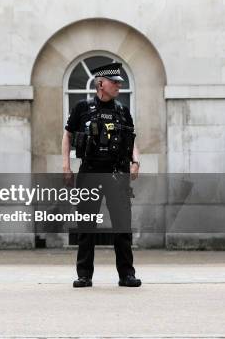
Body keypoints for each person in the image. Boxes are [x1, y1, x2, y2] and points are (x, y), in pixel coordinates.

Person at [62, 62, 142, 288]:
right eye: (114, 82)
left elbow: (132, 139)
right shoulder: (82, 108)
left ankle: (126, 275)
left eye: (119, 83)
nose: (118, 85)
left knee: (122, 226)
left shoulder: (122, 111)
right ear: (100, 84)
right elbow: (67, 136)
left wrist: (136, 161)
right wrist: (66, 166)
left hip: (117, 173)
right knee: (86, 226)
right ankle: (84, 275)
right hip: (90, 172)